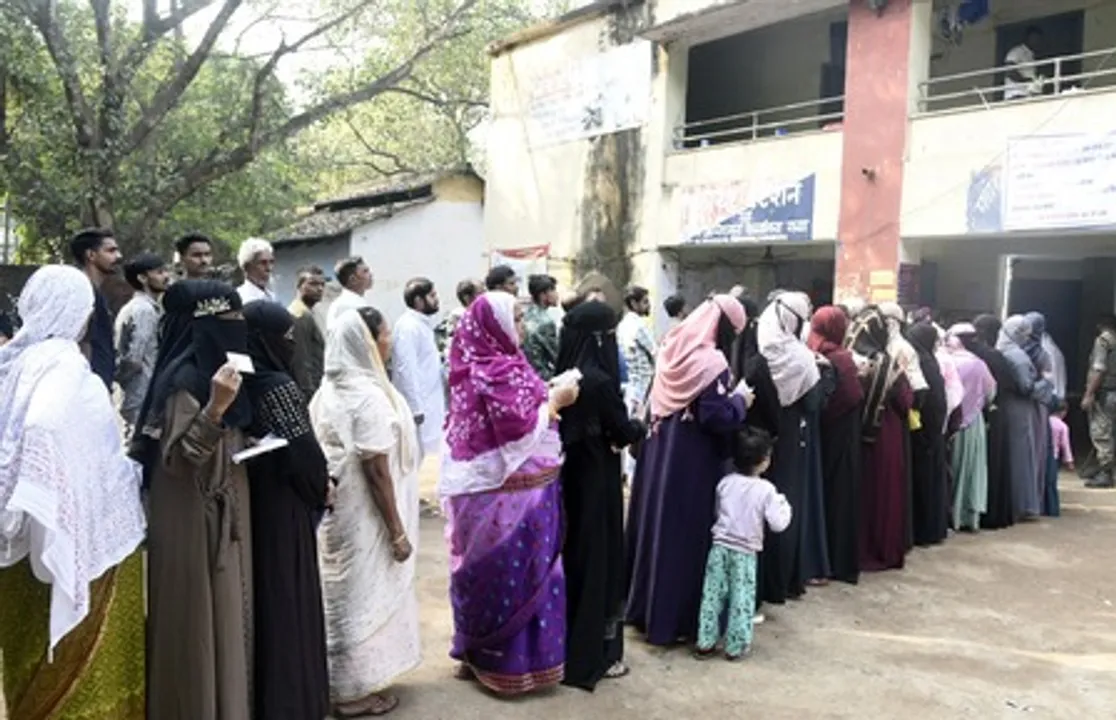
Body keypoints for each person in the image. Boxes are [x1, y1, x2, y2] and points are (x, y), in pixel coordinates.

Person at [0, 266, 147, 720]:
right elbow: (45, 431)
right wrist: (52, 499)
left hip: (22, 549)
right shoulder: (65, 367)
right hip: (77, 546)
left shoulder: (16, 363)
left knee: (26, 671)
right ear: (81, 313)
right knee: (82, 678)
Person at [439, 291, 578, 695]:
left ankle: (490, 656)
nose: (522, 327)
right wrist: (556, 399)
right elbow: (517, 428)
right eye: (515, 319)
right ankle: (501, 665)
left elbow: (525, 408)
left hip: (510, 493)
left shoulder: (499, 364)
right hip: (501, 499)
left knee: (514, 576)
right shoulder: (489, 371)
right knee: (505, 576)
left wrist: (547, 393)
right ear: (492, 327)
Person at [134, 280, 256, 720]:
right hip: (191, 517)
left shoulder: (222, 374)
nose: (237, 331)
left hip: (220, 513)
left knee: (224, 619)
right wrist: (215, 410)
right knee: (196, 624)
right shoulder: (185, 383)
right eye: (228, 323)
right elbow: (179, 460)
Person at [310, 307, 421, 717]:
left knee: (340, 589)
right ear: (368, 343)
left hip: (339, 512)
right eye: (385, 332)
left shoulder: (327, 389)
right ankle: (351, 692)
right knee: (358, 593)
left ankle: (338, 680)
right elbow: (376, 469)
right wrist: (396, 530)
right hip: (364, 515)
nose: (389, 339)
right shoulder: (367, 396)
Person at [625, 295, 750, 646]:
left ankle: (646, 610)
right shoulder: (710, 362)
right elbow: (715, 415)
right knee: (685, 537)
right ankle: (676, 620)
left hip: (661, 453)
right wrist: (740, 402)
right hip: (693, 462)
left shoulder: (672, 347)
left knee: (658, 528)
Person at [241, 300, 331, 720]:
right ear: (264, 339)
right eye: (287, 336)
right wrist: (322, 488)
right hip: (285, 505)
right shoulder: (277, 386)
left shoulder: (239, 378)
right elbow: (303, 453)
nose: (292, 343)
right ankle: (294, 702)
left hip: (253, 501)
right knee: (288, 600)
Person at [554, 301, 645, 691]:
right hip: (598, 483)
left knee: (573, 557)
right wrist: (640, 422)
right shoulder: (601, 382)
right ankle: (595, 655)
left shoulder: (564, 377)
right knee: (599, 563)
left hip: (568, 480)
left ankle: (563, 647)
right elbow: (622, 431)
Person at [745, 291, 826, 599]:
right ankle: (781, 582)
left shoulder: (754, 345)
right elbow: (812, 403)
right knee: (781, 506)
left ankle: (755, 582)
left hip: (754, 437)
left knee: (752, 507)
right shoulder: (802, 357)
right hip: (789, 438)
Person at [694, 429, 790, 661]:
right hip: (745, 553)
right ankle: (735, 646)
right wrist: (784, 504)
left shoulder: (725, 483)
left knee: (712, 596)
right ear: (764, 462)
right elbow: (778, 524)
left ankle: (705, 641)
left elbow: (718, 511)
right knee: (742, 599)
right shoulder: (766, 490)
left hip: (719, 548)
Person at [847, 306, 914, 572]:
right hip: (887, 436)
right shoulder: (887, 364)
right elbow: (905, 401)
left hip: (859, 435)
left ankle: (859, 548)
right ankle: (881, 550)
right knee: (885, 493)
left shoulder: (851, 359)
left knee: (864, 494)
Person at [807, 306, 864, 585]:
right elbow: (852, 395)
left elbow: (849, 396)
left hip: (831, 435)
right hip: (839, 435)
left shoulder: (828, 356)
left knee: (832, 495)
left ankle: (828, 562)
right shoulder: (839, 356)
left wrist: (820, 414)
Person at [966, 315, 1019, 530]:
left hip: (975, 414)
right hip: (996, 413)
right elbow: (1010, 384)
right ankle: (993, 512)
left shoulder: (971, 354)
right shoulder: (995, 357)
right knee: (994, 461)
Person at [945, 324, 997, 532]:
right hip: (972, 422)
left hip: (949, 421)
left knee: (952, 468)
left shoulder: (947, 361)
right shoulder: (979, 364)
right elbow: (991, 391)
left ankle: (949, 517)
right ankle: (967, 517)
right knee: (970, 470)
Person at [996, 316, 1047, 520]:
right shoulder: (1018, 356)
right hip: (1020, 409)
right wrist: (1045, 384)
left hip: (1006, 405)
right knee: (1022, 455)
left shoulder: (1000, 349)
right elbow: (1026, 387)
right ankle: (1023, 503)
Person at [906, 323, 950, 546]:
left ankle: (922, 530)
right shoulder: (930, 362)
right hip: (932, 431)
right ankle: (930, 529)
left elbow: (925, 401)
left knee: (922, 481)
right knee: (930, 481)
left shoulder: (921, 363)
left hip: (923, 432)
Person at [393, 278, 446, 458]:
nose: (437, 299)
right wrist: (415, 409)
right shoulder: (408, 327)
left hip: (432, 403)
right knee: (418, 460)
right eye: (432, 295)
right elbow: (405, 369)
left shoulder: (422, 324)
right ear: (418, 301)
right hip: (420, 409)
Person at [115, 252, 169, 428]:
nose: (166, 276)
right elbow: (133, 359)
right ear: (143, 278)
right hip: (141, 395)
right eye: (159, 272)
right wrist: (124, 380)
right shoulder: (144, 310)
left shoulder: (142, 307)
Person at [70, 227, 121, 389]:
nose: (118, 257)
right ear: (91, 255)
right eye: (111, 251)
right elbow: (83, 341)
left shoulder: (96, 293)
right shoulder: (81, 292)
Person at [1082, 314, 1116, 488]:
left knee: (1102, 432)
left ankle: (1105, 473)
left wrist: (1089, 393)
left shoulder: (1104, 341)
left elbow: (1099, 369)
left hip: (1107, 392)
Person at [288, 265, 327, 398]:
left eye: (322, 284)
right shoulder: (300, 315)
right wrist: (309, 393)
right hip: (309, 390)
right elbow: (301, 359)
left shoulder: (313, 312)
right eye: (313, 284)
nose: (320, 288)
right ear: (299, 286)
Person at [617, 285, 656, 417]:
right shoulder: (639, 325)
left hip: (629, 383)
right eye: (645, 301)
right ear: (634, 303)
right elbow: (655, 353)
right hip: (643, 383)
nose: (648, 305)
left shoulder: (622, 326)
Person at [435, 278, 483, 373]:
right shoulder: (460, 316)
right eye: (480, 293)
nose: (485, 297)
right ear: (467, 297)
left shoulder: (479, 315)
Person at [523, 274, 560, 380]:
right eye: (553, 290)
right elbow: (556, 356)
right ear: (543, 295)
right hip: (541, 375)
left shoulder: (525, 314)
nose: (556, 294)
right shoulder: (546, 322)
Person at [328, 256, 374, 328]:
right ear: (353, 279)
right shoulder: (343, 305)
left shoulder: (359, 302)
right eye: (365, 271)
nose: (371, 274)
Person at [1004, 26, 1044, 101]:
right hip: (1015, 94)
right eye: (1035, 38)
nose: (1037, 41)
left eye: (1039, 39)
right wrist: (1027, 81)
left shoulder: (1031, 56)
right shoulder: (1017, 51)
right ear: (1027, 38)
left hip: (1027, 95)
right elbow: (1010, 71)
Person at [1047, 399, 1072, 517]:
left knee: (1043, 482)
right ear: (1063, 412)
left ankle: (1043, 508)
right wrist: (1069, 461)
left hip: (1042, 455)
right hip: (1054, 456)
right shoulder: (1062, 426)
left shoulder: (1044, 422)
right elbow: (1065, 445)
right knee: (1052, 483)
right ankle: (1053, 510)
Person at [236, 237, 276, 303]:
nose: (269, 268)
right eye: (263, 263)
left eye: (271, 262)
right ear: (247, 267)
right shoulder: (240, 298)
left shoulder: (272, 297)